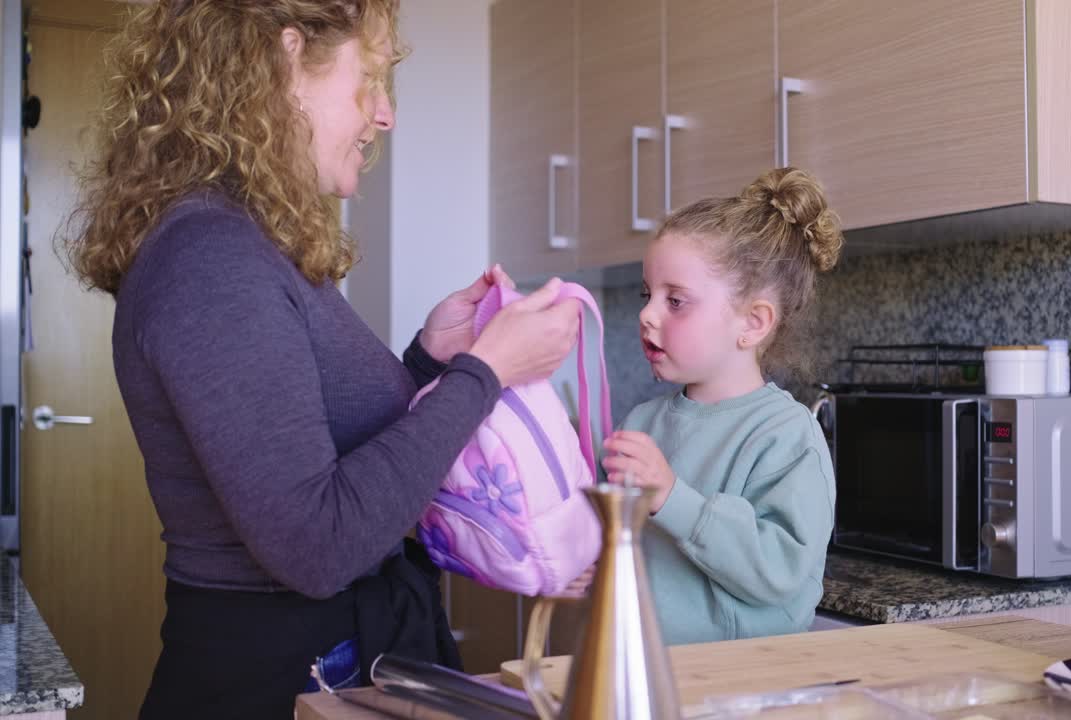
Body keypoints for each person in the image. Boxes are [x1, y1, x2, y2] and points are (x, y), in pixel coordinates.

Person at [61, 1, 580, 717]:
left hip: (329, 661)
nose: (386, 114)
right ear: (284, 60)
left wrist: (431, 361)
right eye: (369, 77)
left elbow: (317, 440)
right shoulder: (212, 260)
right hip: (281, 680)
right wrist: (484, 373)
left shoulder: (244, 242)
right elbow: (317, 544)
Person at [600, 167, 841, 645]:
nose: (647, 314)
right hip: (646, 670)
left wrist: (673, 497)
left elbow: (779, 571)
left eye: (676, 301)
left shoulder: (787, 435)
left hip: (740, 686)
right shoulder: (642, 424)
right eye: (648, 295)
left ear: (752, 323)